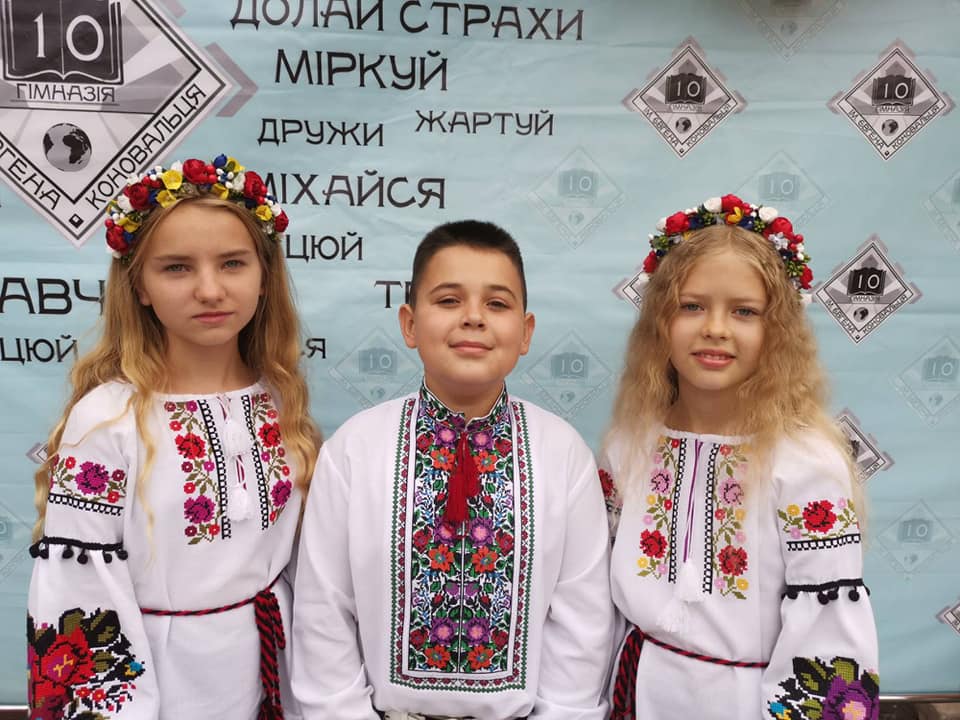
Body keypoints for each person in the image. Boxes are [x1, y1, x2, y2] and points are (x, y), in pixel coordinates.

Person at [27, 154, 320, 720]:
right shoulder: (107, 420)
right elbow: (78, 591)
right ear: (139, 285)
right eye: (177, 268)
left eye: (232, 263)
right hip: (162, 686)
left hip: (272, 672)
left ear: (264, 277)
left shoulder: (280, 399)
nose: (210, 289)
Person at [291, 220, 615, 719]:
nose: (473, 318)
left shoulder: (562, 453)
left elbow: (582, 622)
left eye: (497, 304)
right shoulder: (355, 449)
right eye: (448, 300)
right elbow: (323, 610)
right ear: (409, 324)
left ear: (526, 332)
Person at [600, 195, 880, 720]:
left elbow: (827, 636)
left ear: (777, 332)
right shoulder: (629, 444)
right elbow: (600, 606)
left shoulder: (805, 464)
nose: (716, 328)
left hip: (746, 704)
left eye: (744, 311)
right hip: (635, 692)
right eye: (691, 306)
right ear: (659, 320)